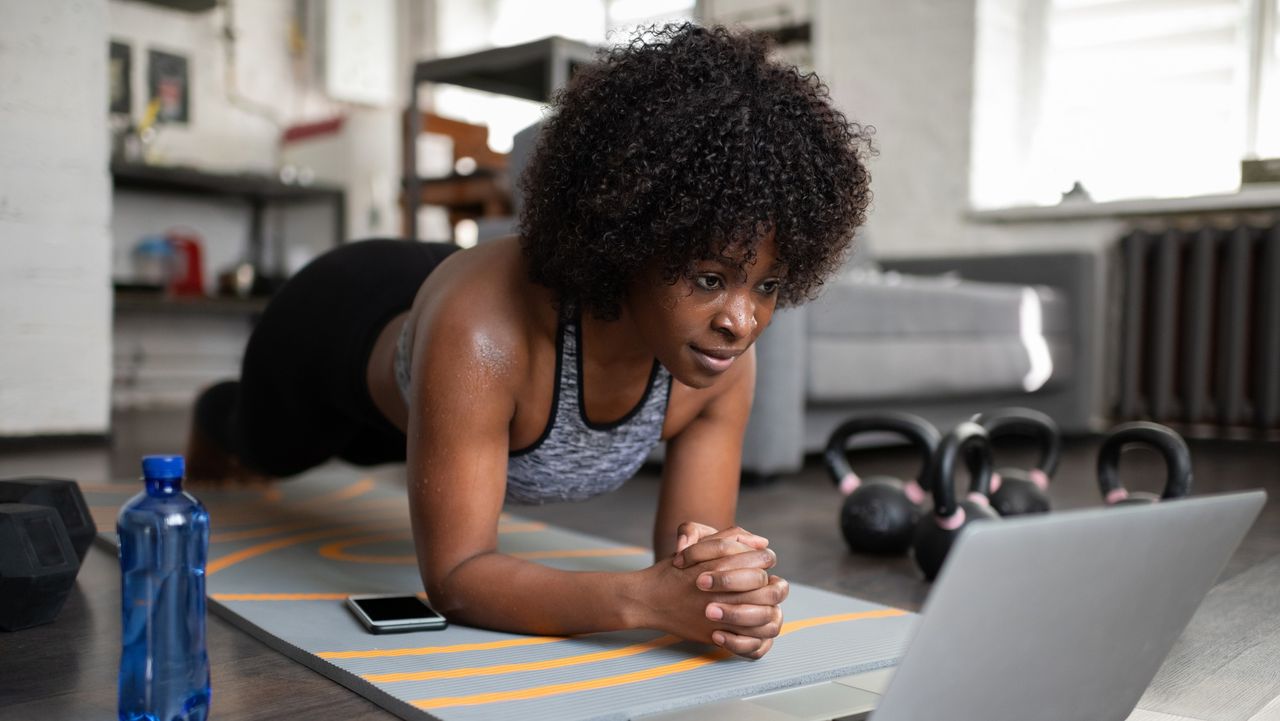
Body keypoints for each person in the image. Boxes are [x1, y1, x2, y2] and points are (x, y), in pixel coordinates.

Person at [188, 23, 873, 660]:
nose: (741, 319)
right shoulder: (486, 331)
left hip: (450, 385)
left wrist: (725, 597)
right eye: (708, 276)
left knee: (403, 450)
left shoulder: (722, 355)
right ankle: (215, 410)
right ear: (630, 239)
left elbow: (689, 561)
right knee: (267, 451)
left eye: (768, 287)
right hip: (334, 323)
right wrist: (641, 599)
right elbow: (457, 576)